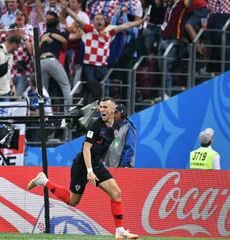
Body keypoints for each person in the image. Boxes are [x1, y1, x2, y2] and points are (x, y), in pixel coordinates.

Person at [28, 97, 139, 239]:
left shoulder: (116, 126)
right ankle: (44, 181)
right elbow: (86, 148)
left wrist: (101, 164)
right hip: (82, 165)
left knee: (116, 193)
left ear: (113, 110)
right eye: (101, 107)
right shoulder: (95, 124)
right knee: (73, 201)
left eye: (105, 107)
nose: (102, 110)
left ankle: (120, 231)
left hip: (97, 164)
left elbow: (105, 146)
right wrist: (90, 171)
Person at [62, 0, 147, 103]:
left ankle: (105, 107)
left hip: (102, 66)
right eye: (97, 19)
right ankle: (95, 106)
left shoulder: (109, 31)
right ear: (93, 22)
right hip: (89, 66)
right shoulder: (88, 29)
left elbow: (127, 26)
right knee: (93, 88)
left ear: (104, 22)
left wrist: (141, 21)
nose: (99, 21)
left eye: (101, 19)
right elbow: (77, 18)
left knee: (106, 87)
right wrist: (67, 9)